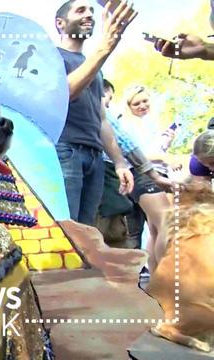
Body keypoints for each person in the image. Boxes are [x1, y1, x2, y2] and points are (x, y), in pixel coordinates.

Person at [54, 0, 135, 225]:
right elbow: (64, 93)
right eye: (80, 10)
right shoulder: (52, 56)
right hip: (65, 151)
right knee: (67, 232)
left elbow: (101, 119)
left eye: (91, 10)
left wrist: (119, 162)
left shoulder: (95, 68)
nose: (89, 14)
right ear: (60, 23)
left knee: (87, 235)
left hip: (95, 157)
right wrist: (105, 47)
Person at [99, 81, 172, 273]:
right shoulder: (123, 122)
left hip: (142, 174)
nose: (142, 106)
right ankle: (169, 275)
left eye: (145, 101)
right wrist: (160, 163)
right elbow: (130, 149)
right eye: (136, 103)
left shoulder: (150, 123)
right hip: (140, 174)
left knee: (154, 230)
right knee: (166, 221)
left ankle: (156, 278)